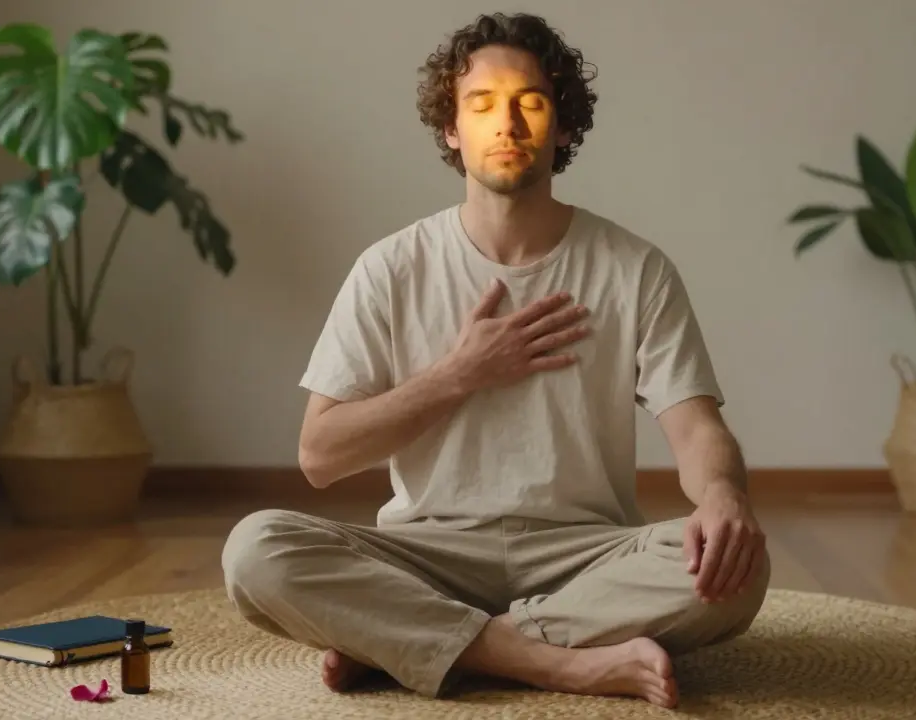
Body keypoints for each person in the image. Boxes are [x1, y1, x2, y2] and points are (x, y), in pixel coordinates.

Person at [221, 12, 769, 709]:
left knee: (738, 569)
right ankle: (555, 663)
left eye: (530, 103)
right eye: (481, 105)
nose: (505, 123)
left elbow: (696, 428)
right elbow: (320, 454)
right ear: (451, 129)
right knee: (255, 550)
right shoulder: (391, 268)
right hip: (428, 558)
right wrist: (457, 375)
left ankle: (408, 643)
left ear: (564, 126)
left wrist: (724, 494)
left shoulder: (635, 269)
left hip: (584, 557)